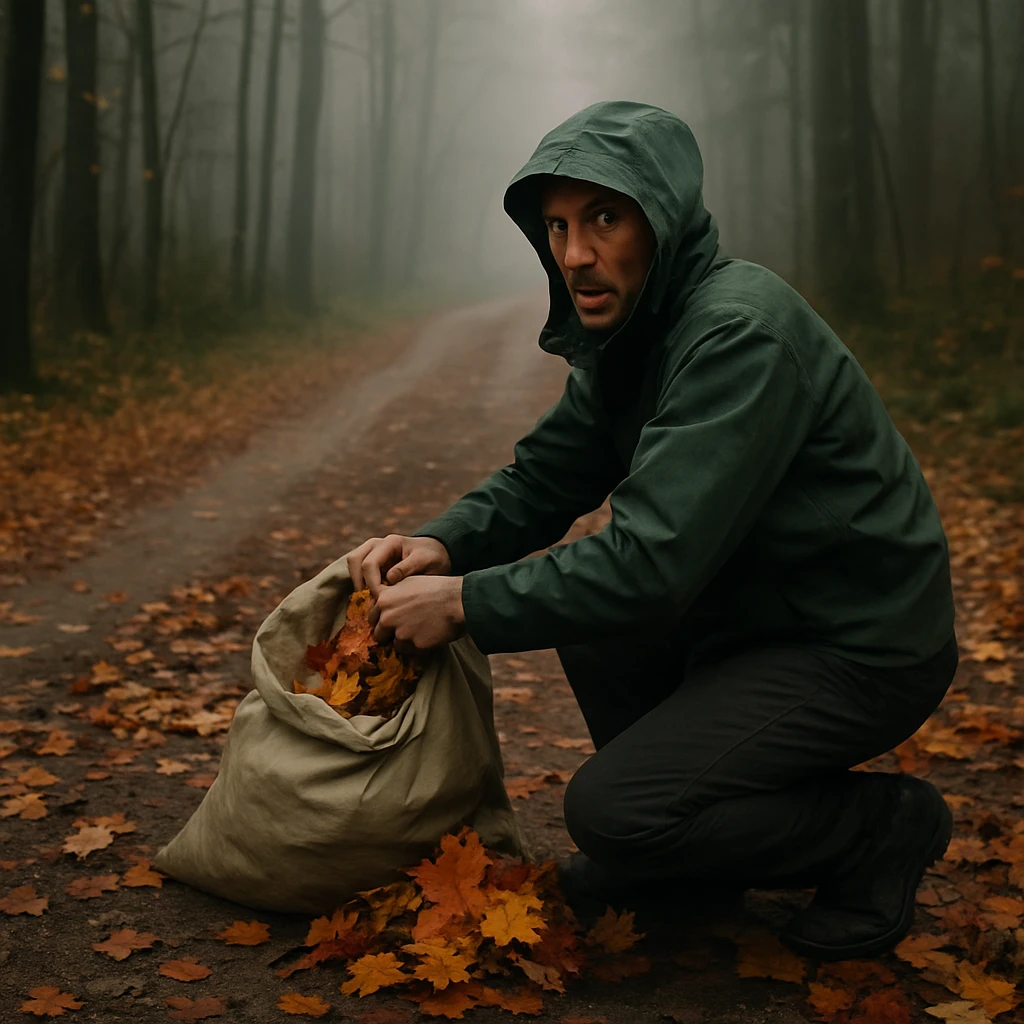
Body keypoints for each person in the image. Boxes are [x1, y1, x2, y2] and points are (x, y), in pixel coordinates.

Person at [343, 100, 958, 962]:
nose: (576, 253)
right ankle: (690, 867)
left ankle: (878, 828)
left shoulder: (736, 330)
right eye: (556, 225)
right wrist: (444, 543)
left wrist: (466, 602)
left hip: (858, 643)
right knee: (601, 639)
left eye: (604, 217)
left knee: (611, 812)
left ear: (662, 218)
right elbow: (549, 472)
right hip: (756, 616)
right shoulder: (636, 321)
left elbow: (650, 564)